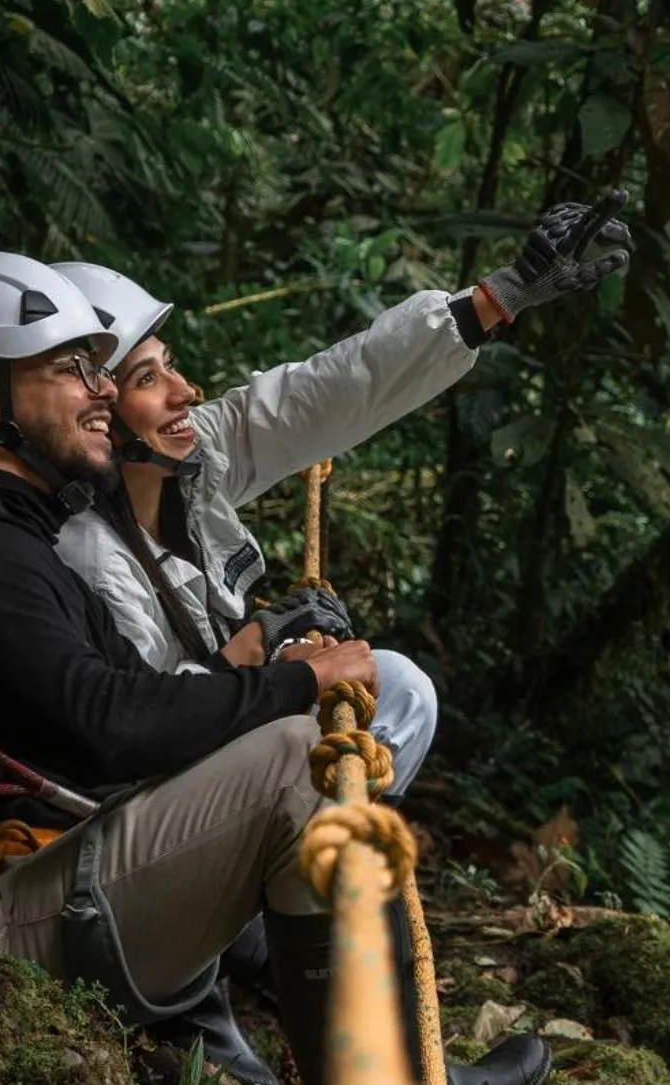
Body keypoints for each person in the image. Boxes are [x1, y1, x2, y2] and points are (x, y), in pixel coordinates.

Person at [0, 250, 588, 1085]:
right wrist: (290, 680)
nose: (101, 392)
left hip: (32, 885)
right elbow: (107, 727)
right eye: (69, 369)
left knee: (303, 741)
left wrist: (262, 663)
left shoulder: (8, 540)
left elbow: (122, 703)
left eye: (104, 369)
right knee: (295, 759)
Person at [50, 193, 633, 804]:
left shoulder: (192, 460)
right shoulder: (90, 554)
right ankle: (303, 852)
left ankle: (329, 849)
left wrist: (502, 295)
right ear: (96, 412)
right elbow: (146, 730)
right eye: (148, 380)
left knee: (399, 687)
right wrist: (263, 649)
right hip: (154, 801)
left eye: (171, 366)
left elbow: (331, 390)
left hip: (225, 724)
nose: (185, 391)